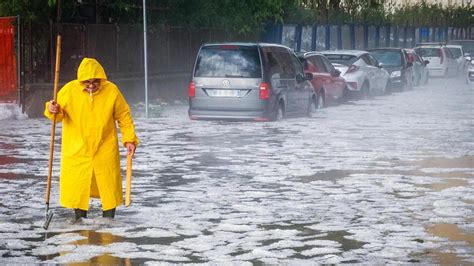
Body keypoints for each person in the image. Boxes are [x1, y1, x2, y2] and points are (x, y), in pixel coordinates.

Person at [44, 57, 139, 220]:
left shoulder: (112, 91)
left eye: (95, 81)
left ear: (101, 79)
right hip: (77, 148)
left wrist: (129, 139)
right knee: (79, 186)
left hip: (105, 147)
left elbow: (124, 115)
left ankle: (109, 221)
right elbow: (57, 114)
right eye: (87, 82)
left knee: (108, 186)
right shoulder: (69, 90)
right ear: (81, 80)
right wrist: (52, 108)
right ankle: (79, 220)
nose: (91, 85)